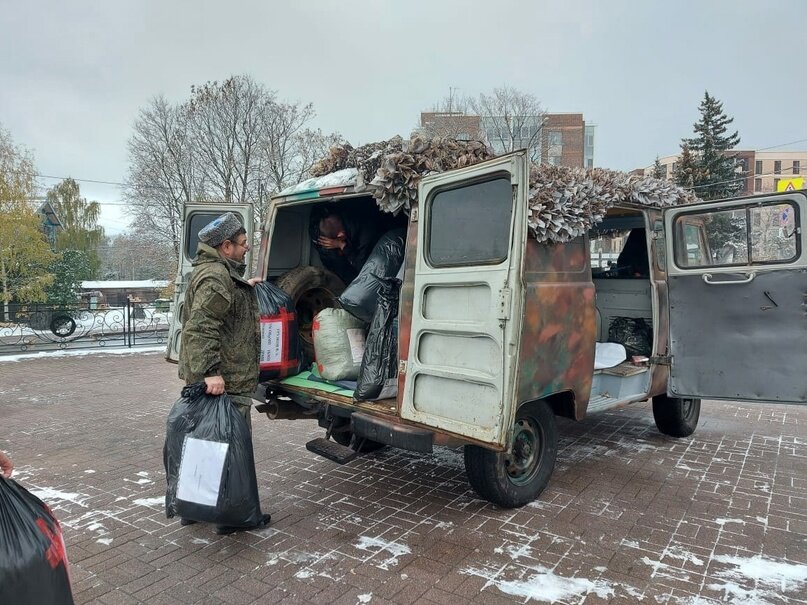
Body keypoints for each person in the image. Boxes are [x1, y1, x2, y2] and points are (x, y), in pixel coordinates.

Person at [177, 211, 271, 535]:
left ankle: (193, 508)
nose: (247, 249)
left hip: (212, 379)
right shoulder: (217, 278)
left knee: (205, 444)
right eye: (243, 244)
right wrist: (211, 372)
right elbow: (201, 327)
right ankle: (231, 518)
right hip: (224, 380)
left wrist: (247, 286)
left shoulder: (214, 273)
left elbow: (219, 309)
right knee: (230, 446)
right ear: (226, 246)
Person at [314, 208, 381, 284]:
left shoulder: (366, 237)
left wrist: (342, 245)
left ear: (340, 235)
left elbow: (363, 268)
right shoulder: (343, 215)